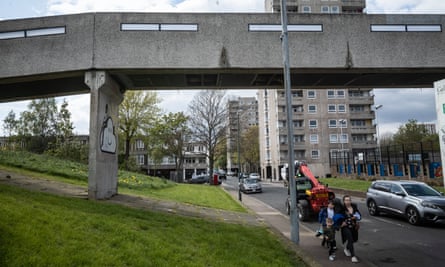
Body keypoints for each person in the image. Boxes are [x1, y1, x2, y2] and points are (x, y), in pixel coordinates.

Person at [339, 195, 361, 263]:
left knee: (354, 240)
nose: (348, 201)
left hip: (354, 226)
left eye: (349, 200)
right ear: (344, 201)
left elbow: (359, 215)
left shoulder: (354, 207)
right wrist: (341, 224)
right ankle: (353, 256)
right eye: (346, 200)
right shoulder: (342, 209)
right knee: (350, 239)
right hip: (346, 226)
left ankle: (347, 248)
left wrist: (357, 218)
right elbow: (338, 217)